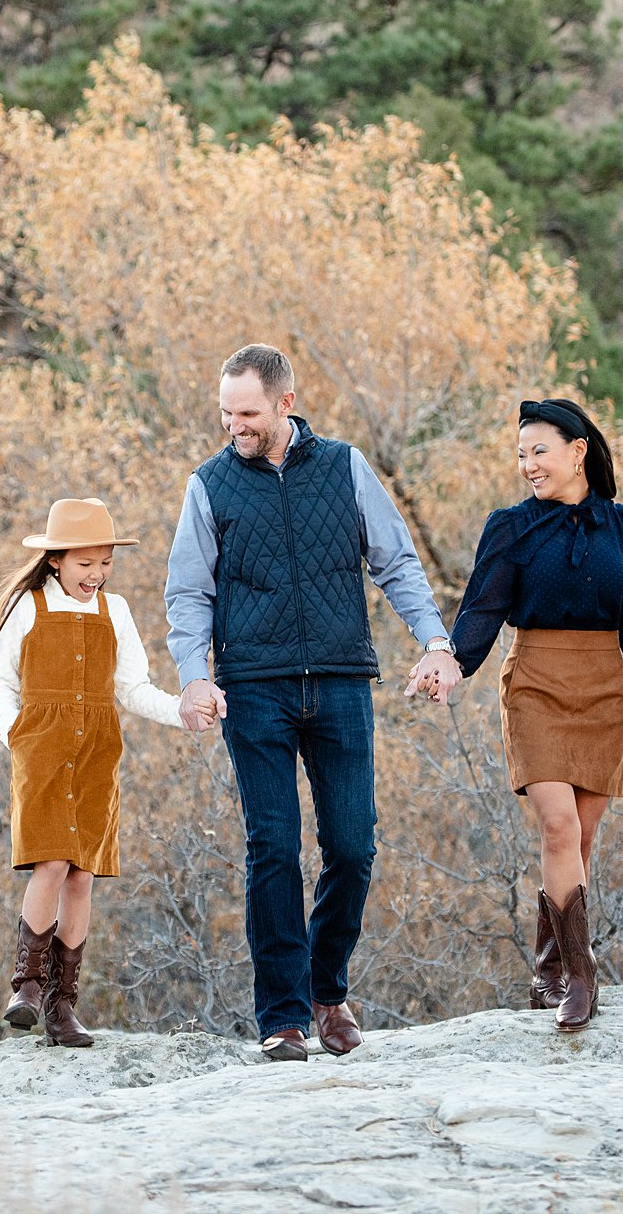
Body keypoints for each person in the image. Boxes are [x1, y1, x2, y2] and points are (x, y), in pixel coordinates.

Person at [165, 344, 459, 1061]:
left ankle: (329, 989)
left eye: (248, 413)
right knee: (272, 848)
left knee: (353, 846)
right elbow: (188, 591)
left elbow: (395, 561)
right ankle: (284, 1016)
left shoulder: (346, 467)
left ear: (285, 404)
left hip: (339, 680)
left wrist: (435, 641)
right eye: (226, 413)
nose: (234, 425)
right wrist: (192, 674)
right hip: (253, 687)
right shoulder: (208, 485)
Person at [435, 398, 623, 1032]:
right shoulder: (511, 526)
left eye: (539, 451)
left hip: (604, 687)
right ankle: (581, 982)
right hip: (535, 682)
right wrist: (448, 662)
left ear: (578, 452)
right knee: (557, 827)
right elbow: (480, 612)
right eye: (521, 454)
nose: (528, 464)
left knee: (581, 838)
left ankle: (549, 967)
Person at [0, 497, 206, 1046]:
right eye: (86, 563)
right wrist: (17, 737)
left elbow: (130, 689)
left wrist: (181, 710)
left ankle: (63, 1009)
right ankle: (27, 987)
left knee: (82, 875)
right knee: (53, 862)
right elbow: (0, 684)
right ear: (57, 560)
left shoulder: (118, 611)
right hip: (40, 753)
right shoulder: (28, 607)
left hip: (96, 757)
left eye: (105, 562)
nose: (97, 574)